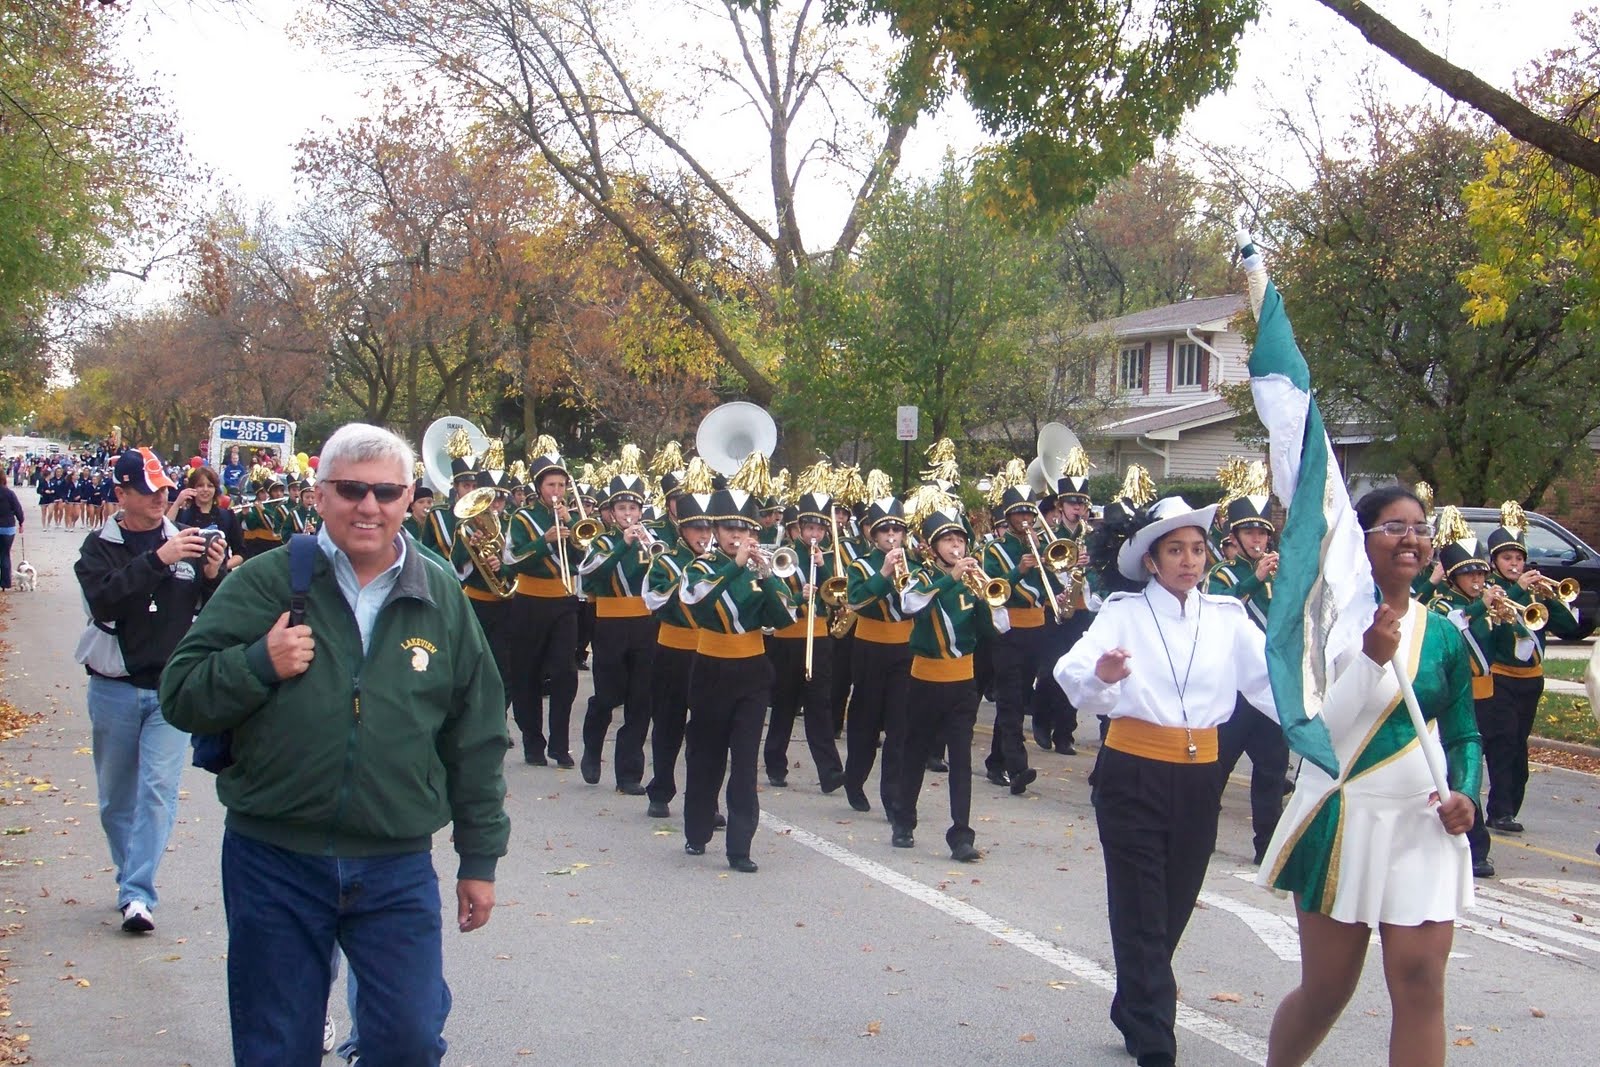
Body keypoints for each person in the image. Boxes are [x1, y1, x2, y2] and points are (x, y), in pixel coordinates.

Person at [160, 423, 510, 1067]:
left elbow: (477, 733)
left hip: (395, 862)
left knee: (408, 1041)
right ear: (320, 495)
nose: (369, 506)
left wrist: (479, 858)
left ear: (409, 498)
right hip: (274, 858)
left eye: (386, 492)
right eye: (351, 489)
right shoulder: (266, 581)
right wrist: (258, 663)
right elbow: (180, 693)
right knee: (276, 1048)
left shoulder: (439, 593)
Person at [1256, 486, 1479, 1067]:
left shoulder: (1444, 634)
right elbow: (1315, 734)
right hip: (1344, 818)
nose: (1411, 538)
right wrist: (1371, 658)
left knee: (1421, 982)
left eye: (1420, 528)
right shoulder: (1325, 623)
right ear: (1361, 539)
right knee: (1327, 991)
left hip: (1421, 824)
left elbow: (1464, 733)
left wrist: (1467, 793)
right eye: (1394, 527)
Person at [1056, 494, 1276, 1067]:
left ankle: (1134, 1003)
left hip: (1201, 778)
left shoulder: (1227, 616)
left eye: (1197, 549)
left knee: (1173, 906)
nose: (1189, 560)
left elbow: (1271, 684)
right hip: (1133, 773)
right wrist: (1103, 676)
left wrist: (1329, 731)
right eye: (1175, 550)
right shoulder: (1123, 612)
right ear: (1151, 561)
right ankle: (1156, 1040)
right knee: (1141, 908)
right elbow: (1071, 671)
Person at [73, 448, 228, 933]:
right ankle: (130, 879)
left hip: (169, 692)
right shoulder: (99, 546)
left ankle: (139, 893)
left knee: (158, 790)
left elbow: (212, 613)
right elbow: (104, 599)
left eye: (163, 488)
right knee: (116, 799)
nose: (160, 498)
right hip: (114, 688)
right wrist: (159, 560)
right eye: (147, 490)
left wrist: (212, 576)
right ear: (121, 493)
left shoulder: (187, 540)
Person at [678, 482, 796, 873]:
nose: (738, 536)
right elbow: (696, 599)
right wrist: (735, 566)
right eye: (730, 529)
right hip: (710, 669)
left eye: (745, 530)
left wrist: (769, 577)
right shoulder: (701, 567)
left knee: (745, 761)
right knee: (706, 755)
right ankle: (697, 831)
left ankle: (740, 846)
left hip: (752, 671)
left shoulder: (759, 572)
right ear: (715, 529)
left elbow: (784, 619)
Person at [894, 493, 1009, 861]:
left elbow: (998, 629)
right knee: (914, 752)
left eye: (959, 539)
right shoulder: (921, 577)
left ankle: (961, 835)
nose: (955, 546)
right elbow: (909, 604)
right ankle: (903, 820)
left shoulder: (975, 583)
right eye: (947, 540)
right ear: (933, 548)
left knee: (961, 759)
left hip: (962, 683)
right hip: (924, 681)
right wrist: (950, 580)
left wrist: (990, 601)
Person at [1481, 500, 1579, 835]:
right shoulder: (1493, 591)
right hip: (1500, 679)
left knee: (1519, 747)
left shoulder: (1534, 593)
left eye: (1519, 558)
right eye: (1507, 558)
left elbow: (1570, 628)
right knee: (1504, 742)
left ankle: (1508, 808)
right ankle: (1500, 811)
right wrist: (1518, 590)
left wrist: (1552, 598)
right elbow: (1492, 628)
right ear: (1494, 561)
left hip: (1531, 681)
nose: (1514, 564)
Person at [1206, 484, 1291, 864]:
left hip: (1271, 686)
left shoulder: (1282, 575)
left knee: (1272, 769)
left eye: (1262, 533)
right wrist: (1255, 578)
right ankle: (1200, 834)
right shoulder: (1223, 574)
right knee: (1217, 767)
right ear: (1235, 537)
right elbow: (1218, 611)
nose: (1257, 540)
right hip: (1236, 687)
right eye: (1250, 533)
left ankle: (1267, 847)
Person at [1427, 505, 1510, 880]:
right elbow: (1452, 626)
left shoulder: (1485, 608)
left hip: (1489, 695)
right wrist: (1481, 607)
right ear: (1453, 577)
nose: (1478, 580)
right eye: (1470, 574)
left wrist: (1511, 616)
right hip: (1456, 698)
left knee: (1487, 762)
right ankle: (1474, 847)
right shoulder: (1443, 604)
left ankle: (1481, 832)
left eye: (1481, 573)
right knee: (1456, 768)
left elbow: (1509, 649)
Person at [577, 468, 660, 793]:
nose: (628, 514)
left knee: (641, 700)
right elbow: (589, 574)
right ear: (611, 512)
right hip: (610, 625)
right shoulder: (601, 541)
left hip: (645, 625)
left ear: (641, 511)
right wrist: (623, 546)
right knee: (607, 696)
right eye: (622, 508)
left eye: (633, 509)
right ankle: (592, 749)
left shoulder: (652, 540)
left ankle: (629, 774)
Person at [642, 467, 717, 819]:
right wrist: (693, 575)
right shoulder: (666, 560)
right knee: (668, 722)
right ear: (682, 529)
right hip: (673, 650)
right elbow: (653, 600)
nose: (703, 535)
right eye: (696, 528)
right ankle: (660, 789)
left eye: (707, 528)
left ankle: (705, 802)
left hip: (709, 653)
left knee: (707, 730)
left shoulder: (721, 563)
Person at [761, 488, 846, 793]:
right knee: (784, 702)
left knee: (819, 704)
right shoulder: (784, 556)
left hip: (819, 637)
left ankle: (830, 772)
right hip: (787, 637)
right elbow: (775, 597)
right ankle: (775, 763)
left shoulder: (829, 559)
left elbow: (838, 597)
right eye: (809, 528)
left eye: (820, 530)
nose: (815, 535)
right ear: (798, 528)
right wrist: (800, 596)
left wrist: (822, 568)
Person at [504, 440, 583, 767]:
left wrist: (572, 528)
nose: (557, 491)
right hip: (529, 602)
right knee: (527, 673)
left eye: (561, 485)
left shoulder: (571, 517)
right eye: (551, 485)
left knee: (565, 672)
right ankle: (533, 742)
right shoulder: (522, 518)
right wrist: (544, 541)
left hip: (564, 600)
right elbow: (511, 560)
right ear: (539, 488)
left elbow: (583, 559)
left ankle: (560, 745)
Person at [842, 491, 914, 817]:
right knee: (866, 722)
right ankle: (854, 779)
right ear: (874, 534)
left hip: (905, 650)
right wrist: (884, 573)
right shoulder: (860, 565)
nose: (891, 536)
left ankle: (893, 797)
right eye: (885, 530)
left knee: (900, 726)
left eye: (897, 530)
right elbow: (856, 601)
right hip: (869, 649)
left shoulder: (916, 564)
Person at [980, 468, 1044, 796]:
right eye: (1019, 513)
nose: (1025, 519)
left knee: (1017, 699)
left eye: (1029, 513)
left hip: (1036, 630)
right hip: (1008, 631)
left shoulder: (1044, 545)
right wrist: (1019, 570)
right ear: (1008, 517)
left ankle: (996, 762)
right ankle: (1018, 767)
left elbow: (1051, 585)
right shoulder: (995, 550)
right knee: (1010, 699)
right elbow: (995, 589)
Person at [170, 465, 244, 567]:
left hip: (219, 575)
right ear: (193, 488)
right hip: (188, 573)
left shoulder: (227, 516)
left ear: (216, 489)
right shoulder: (183, 515)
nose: (205, 489)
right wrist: (177, 503)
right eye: (200, 485)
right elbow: (164, 533)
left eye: (210, 486)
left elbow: (240, 553)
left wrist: (221, 567)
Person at [0, 471, 23, 591]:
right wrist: (21, 522)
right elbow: (17, 508)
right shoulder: (9, 493)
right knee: (5, 554)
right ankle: (5, 583)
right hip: (7, 527)